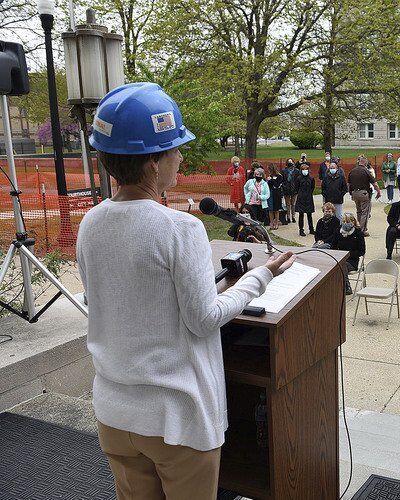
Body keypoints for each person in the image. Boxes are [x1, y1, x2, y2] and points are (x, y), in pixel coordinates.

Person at [79, 82, 295, 499]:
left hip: (114, 414)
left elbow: (110, 298)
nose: (181, 156)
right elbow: (204, 319)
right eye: (175, 147)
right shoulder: (181, 228)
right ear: (152, 161)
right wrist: (262, 276)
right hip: (174, 419)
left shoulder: (90, 223)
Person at [333, 212, 366, 295]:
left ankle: (347, 286)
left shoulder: (358, 234)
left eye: (347, 222)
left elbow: (362, 251)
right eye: (343, 222)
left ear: (353, 222)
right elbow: (333, 246)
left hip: (352, 261)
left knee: (342, 266)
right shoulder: (338, 231)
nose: (345, 224)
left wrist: (347, 254)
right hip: (338, 259)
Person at [348, 155, 380, 236]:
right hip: (364, 193)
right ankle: (361, 230)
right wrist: (378, 192)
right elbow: (375, 184)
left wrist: (351, 192)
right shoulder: (366, 171)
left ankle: (358, 226)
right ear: (365, 163)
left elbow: (348, 184)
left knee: (359, 211)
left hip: (355, 193)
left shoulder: (352, 171)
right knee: (365, 212)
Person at [294, 163, 316, 237]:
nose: (305, 171)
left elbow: (312, 187)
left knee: (309, 214)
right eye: (303, 169)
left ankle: (311, 229)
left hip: (309, 197)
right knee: (301, 214)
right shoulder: (298, 178)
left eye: (306, 169)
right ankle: (301, 229)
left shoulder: (311, 179)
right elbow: (296, 188)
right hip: (301, 198)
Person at [266, 164, 284, 230]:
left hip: (277, 194)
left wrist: (271, 180)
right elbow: (268, 185)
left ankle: (276, 222)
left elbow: (277, 185)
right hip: (270, 194)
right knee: (270, 209)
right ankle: (271, 223)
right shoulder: (269, 176)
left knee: (276, 210)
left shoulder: (279, 176)